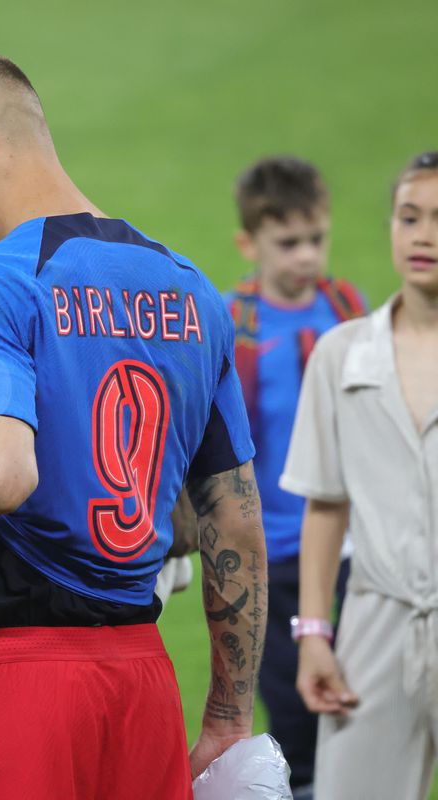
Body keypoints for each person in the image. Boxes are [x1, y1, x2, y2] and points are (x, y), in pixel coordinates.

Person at [0, 50, 268, 799]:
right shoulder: (193, 292)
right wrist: (226, 713)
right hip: (141, 685)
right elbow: (234, 523)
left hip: (11, 686)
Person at [283, 151, 438, 800]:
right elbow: (326, 506)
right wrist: (315, 634)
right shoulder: (342, 355)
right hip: (374, 626)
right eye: (409, 217)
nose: (423, 234)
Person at [227, 155, 364, 797]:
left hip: (353, 547)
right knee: (294, 711)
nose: (306, 256)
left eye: (316, 239)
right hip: (273, 553)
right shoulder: (234, 325)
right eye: (288, 243)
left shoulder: (346, 309)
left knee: (363, 699)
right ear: (248, 243)